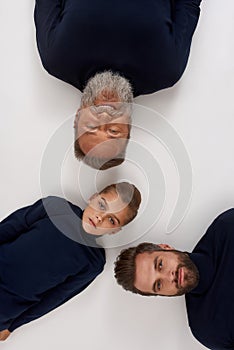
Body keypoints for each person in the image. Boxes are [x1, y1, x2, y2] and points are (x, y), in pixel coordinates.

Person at [34, 0, 202, 169]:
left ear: (78, 117)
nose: (105, 116)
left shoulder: (56, 58)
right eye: (113, 131)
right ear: (128, 125)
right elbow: (188, 4)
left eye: (92, 127)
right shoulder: (167, 69)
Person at [0, 182, 141, 341]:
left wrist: (13, 326)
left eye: (112, 220)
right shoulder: (56, 208)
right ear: (93, 197)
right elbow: (9, 227)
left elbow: (56, 298)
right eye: (102, 205)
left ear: (114, 231)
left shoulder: (93, 262)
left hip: (6, 308)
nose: (100, 217)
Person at [114, 209, 234, 350]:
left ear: (166, 248)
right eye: (158, 284)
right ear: (162, 295)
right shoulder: (208, 329)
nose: (169, 276)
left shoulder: (227, 227)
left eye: (160, 265)